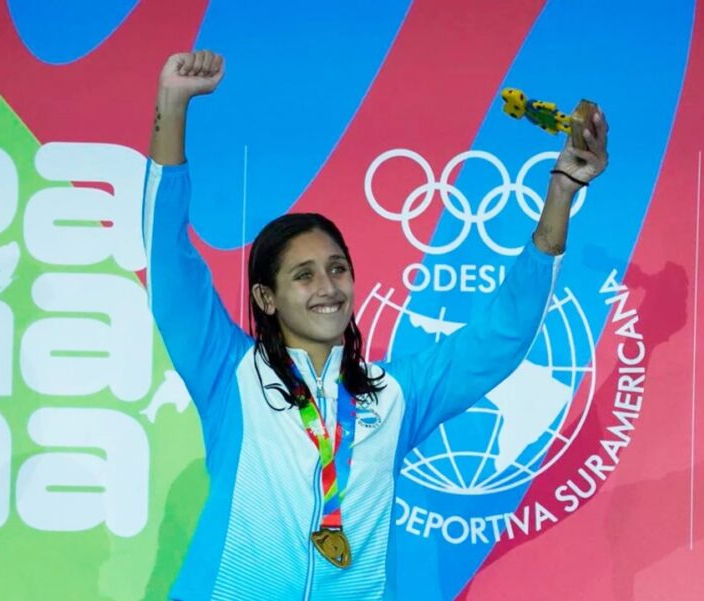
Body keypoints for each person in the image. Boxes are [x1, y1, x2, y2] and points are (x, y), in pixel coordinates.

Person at [144, 50, 608, 600]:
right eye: (304, 275)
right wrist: (171, 107)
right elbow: (170, 260)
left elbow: (499, 338)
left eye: (338, 268)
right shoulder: (229, 375)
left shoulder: (394, 396)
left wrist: (560, 193)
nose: (328, 286)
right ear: (266, 297)